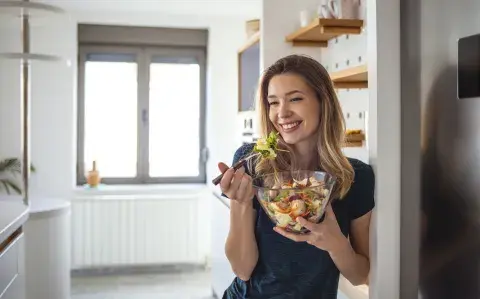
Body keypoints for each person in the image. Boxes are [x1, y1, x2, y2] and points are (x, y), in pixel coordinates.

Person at [217, 54, 375, 299]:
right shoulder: (252, 162)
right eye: (273, 102)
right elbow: (242, 269)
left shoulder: (355, 177)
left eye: (295, 99)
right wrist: (241, 202)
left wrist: (336, 244)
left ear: (323, 102)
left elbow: (360, 275)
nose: (282, 113)